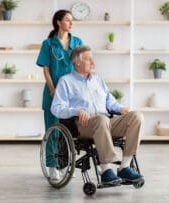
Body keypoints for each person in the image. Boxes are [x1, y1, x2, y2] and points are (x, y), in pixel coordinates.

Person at [51, 46, 144, 186]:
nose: (93, 62)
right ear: (77, 62)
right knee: (101, 120)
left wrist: (121, 108)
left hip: (107, 122)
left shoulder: (98, 80)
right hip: (84, 125)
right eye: (89, 59)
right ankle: (106, 170)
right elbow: (56, 108)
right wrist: (76, 111)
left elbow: (110, 101)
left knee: (137, 116)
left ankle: (124, 166)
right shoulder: (66, 81)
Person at [36, 10, 83, 181]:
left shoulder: (77, 42)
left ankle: (65, 164)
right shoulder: (48, 44)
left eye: (72, 20)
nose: (71, 23)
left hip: (72, 95)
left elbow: (80, 67)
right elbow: (46, 69)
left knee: (70, 132)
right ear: (58, 22)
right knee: (52, 130)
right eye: (68, 20)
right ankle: (52, 165)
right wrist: (52, 89)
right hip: (53, 93)